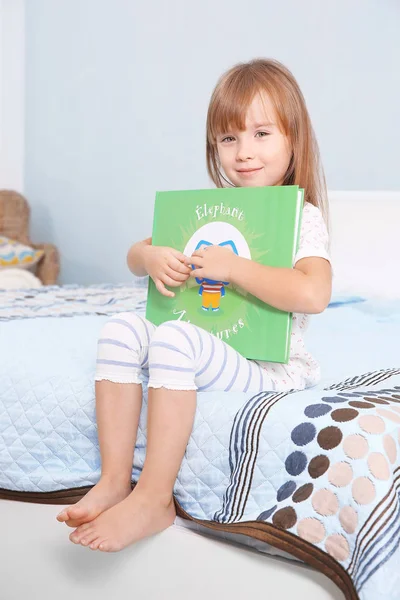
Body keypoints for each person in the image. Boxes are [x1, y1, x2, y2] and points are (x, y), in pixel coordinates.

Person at [57, 58, 332, 552]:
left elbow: (314, 293)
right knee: (121, 328)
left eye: (262, 133)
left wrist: (235, 269)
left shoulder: (302, 216)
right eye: (229, 139)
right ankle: (116, 478)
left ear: (294, 139)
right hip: (212, 345)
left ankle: (155, 498)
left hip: (266, 367)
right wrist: (150, 255)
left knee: (176, 339)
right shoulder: (211, 210)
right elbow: (134, 254)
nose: (244, 152)